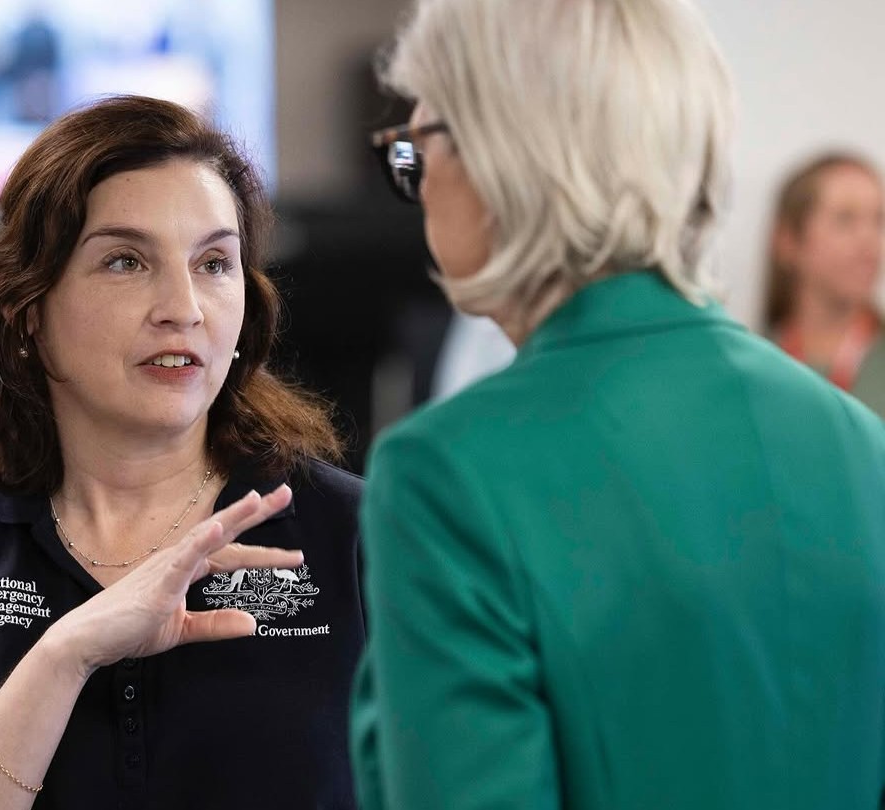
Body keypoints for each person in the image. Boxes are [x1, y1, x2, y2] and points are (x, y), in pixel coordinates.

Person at [350, 1, 885, 808]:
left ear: (502, 157)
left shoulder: (446, 475)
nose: (417, 189)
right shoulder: (859, 441)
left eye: (417, 151)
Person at [0, 95, 364, 810]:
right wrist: (63, 657)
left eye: (214, 262)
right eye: (125, 261)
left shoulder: (361, 533)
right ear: (26, 310)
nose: (183, 306)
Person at [764, 152, 885, 417]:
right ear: (787, 240)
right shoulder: (750, 365)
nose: (869, 240)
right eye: (845, 218)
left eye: (878, 220)